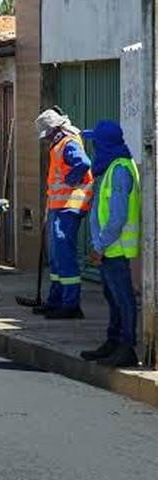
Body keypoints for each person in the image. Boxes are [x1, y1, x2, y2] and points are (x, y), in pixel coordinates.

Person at [80, 120, 140, 368]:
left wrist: (99, 247)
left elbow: (117, 217)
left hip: (115, 248)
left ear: (104, 144)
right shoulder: (111, 167)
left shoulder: (119, 170)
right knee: (112, 297)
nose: (93, 148)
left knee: (122, 298)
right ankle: (113, 342)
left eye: (95, 143)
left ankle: (126, 347)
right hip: (108, 248)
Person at [35, 107, 94, 319]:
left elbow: (84, 163)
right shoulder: (60, 143)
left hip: (69, 206)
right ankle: (56, 300)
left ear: (54, 129)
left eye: (47, 135)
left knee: (64, 255)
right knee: (56, 257)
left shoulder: (68, 142)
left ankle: (70, 305)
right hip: (60, 206)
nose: (45, 139)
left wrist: (70, 181)